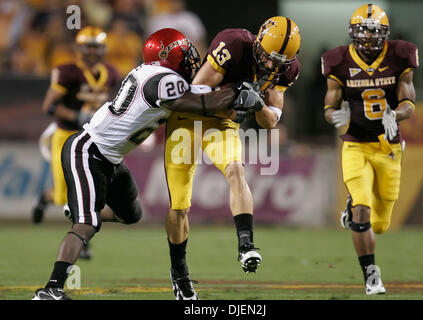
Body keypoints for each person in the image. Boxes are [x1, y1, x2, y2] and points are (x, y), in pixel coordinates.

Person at [32, 27, 259, 300]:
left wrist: (233, 99)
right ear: (168, 54)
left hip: (110, 158)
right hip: (88, 150)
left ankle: (83, 208)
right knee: (87, 225)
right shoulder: (162, 79)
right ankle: (52, 289)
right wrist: (236, 92)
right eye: (184, 52)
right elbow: (201, 104)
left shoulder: (152, 74)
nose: (191, 59)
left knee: (131, 214)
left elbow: (202, 97)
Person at [163, 16, 301, 300]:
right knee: (179, 206)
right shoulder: (235, 43)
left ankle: (246, 245)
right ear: (258, 44)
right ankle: (179, 273)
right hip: (189, 119)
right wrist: (233, 94)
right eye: (269, 57)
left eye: (281, 62)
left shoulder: (285, 70)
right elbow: (197, 90)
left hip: (222, 125)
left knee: (236, 170)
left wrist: (257, 102)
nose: (273, 66)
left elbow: (271, 121)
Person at [321, 4, 418, 295]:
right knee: (363, 212)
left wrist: (396, 114)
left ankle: (354, 213)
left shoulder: (401, 54)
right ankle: (371, 275)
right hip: (355, 145)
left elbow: (409, 102)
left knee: (382, 224)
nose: (367, 37)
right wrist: (333, 115)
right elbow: (330, 103)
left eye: (374, 31)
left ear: (386, 34)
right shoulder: (337, 60)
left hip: (388, 147)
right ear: (352, 32)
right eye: (362, 30)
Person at [31, 26, 121, 259]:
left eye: (96, 46)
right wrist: (77, 116)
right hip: (66, 136)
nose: (92, 51)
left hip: (94, 140)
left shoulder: (110, 72)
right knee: (63, 196)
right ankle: (46, 198)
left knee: (90, 192)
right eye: (88, 46)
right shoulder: (67, 71)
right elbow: (49, 105)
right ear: (78, 48)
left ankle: (84, 239)